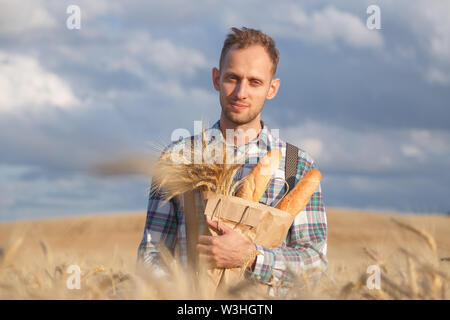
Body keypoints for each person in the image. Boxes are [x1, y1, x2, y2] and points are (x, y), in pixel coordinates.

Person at [137, 27, 327, 293]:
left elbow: (315, 263)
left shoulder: (296, 164)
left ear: (272, 88)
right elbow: (152, 253)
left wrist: (253, 257)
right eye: (232, 78)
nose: (241, 92)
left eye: (254, 82)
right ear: (216, 78)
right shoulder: (179, 157)